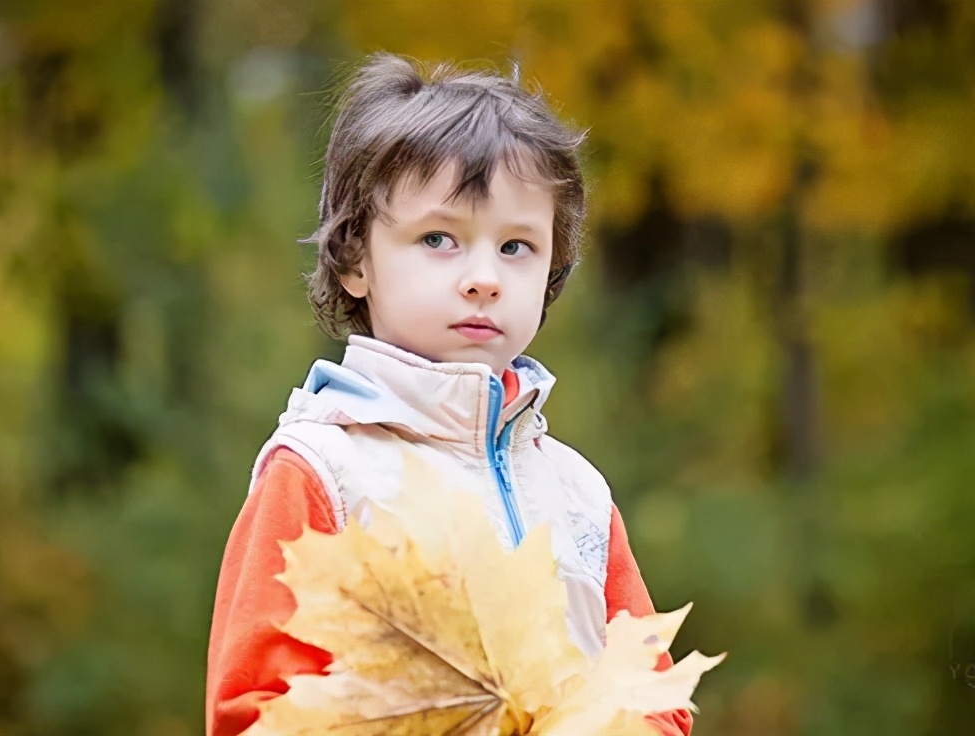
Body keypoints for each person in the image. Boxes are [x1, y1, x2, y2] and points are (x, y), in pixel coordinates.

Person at [205, 51, 695, 736]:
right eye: (439, 238)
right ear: (355, 262)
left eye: (517, 246)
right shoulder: (323, 472)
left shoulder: (578, 494)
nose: (483, 277)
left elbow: (657, 702)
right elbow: (254, 712)